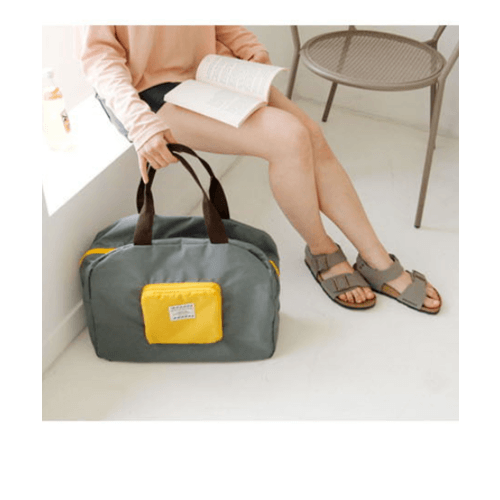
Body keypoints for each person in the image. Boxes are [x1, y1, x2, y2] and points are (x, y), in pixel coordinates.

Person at [77, 25, 441, 313]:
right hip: (145, 91)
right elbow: (99, 56)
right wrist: (140, 123)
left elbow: (218, 21)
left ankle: (376, 257)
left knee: (311, 133)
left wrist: (250, 50)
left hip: (207, 68)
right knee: (289, 137)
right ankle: (322, 250)